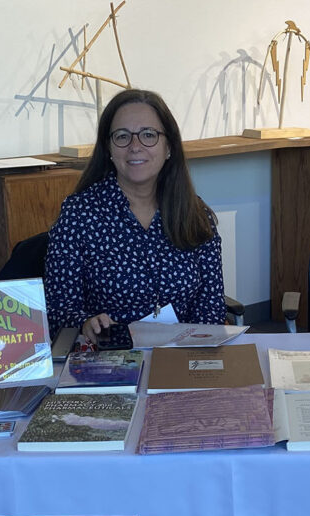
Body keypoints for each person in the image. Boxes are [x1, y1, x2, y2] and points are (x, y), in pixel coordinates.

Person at [44, 89, 225, 340]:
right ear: (108, 148)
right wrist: (85, 324)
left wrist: (192, 350)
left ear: (169, 147)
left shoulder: (195, 212)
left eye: (148, 135)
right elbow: (58, 310)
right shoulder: (79, 214)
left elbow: (211, 307)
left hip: (181, 353)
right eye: (122, 136)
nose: (135, 147)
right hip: (110, 355)